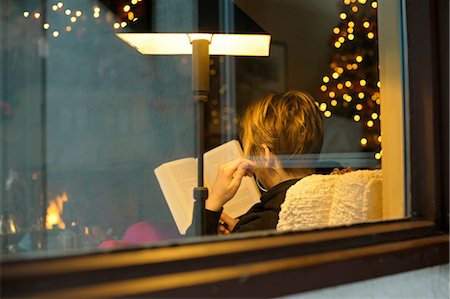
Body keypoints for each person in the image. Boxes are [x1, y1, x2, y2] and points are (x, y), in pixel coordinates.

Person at [204, 90, 324, 234]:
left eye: (251, 152)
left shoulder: (261, 226)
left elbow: (200, 255)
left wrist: (213, 203)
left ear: (267, 155)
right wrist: (239, 228)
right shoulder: (331, 196)